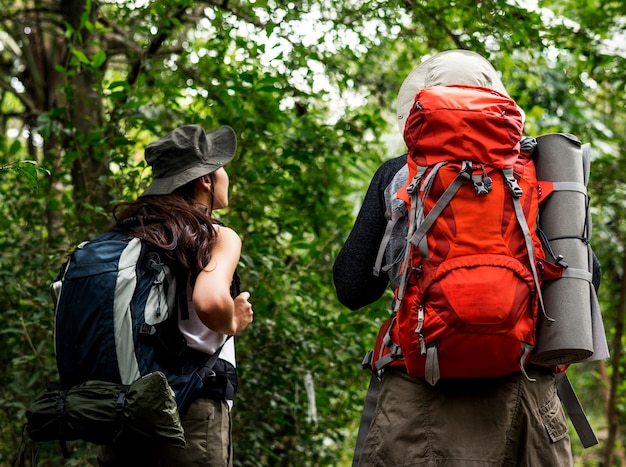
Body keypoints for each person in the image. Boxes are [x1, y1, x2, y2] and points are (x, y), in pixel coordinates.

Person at [333, 50, 575, 466]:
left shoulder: (398, 174)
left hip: (419, 395)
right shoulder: (538, 170)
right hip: (525, 393)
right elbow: (580, 283)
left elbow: (352, 288)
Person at [97, 124, 254, 467]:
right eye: (221, 168)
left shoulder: (127, 237)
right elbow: (211, 302)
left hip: (118, 412)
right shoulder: (214, 236)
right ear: (205, 180)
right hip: (189, 414)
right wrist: (233, 321)